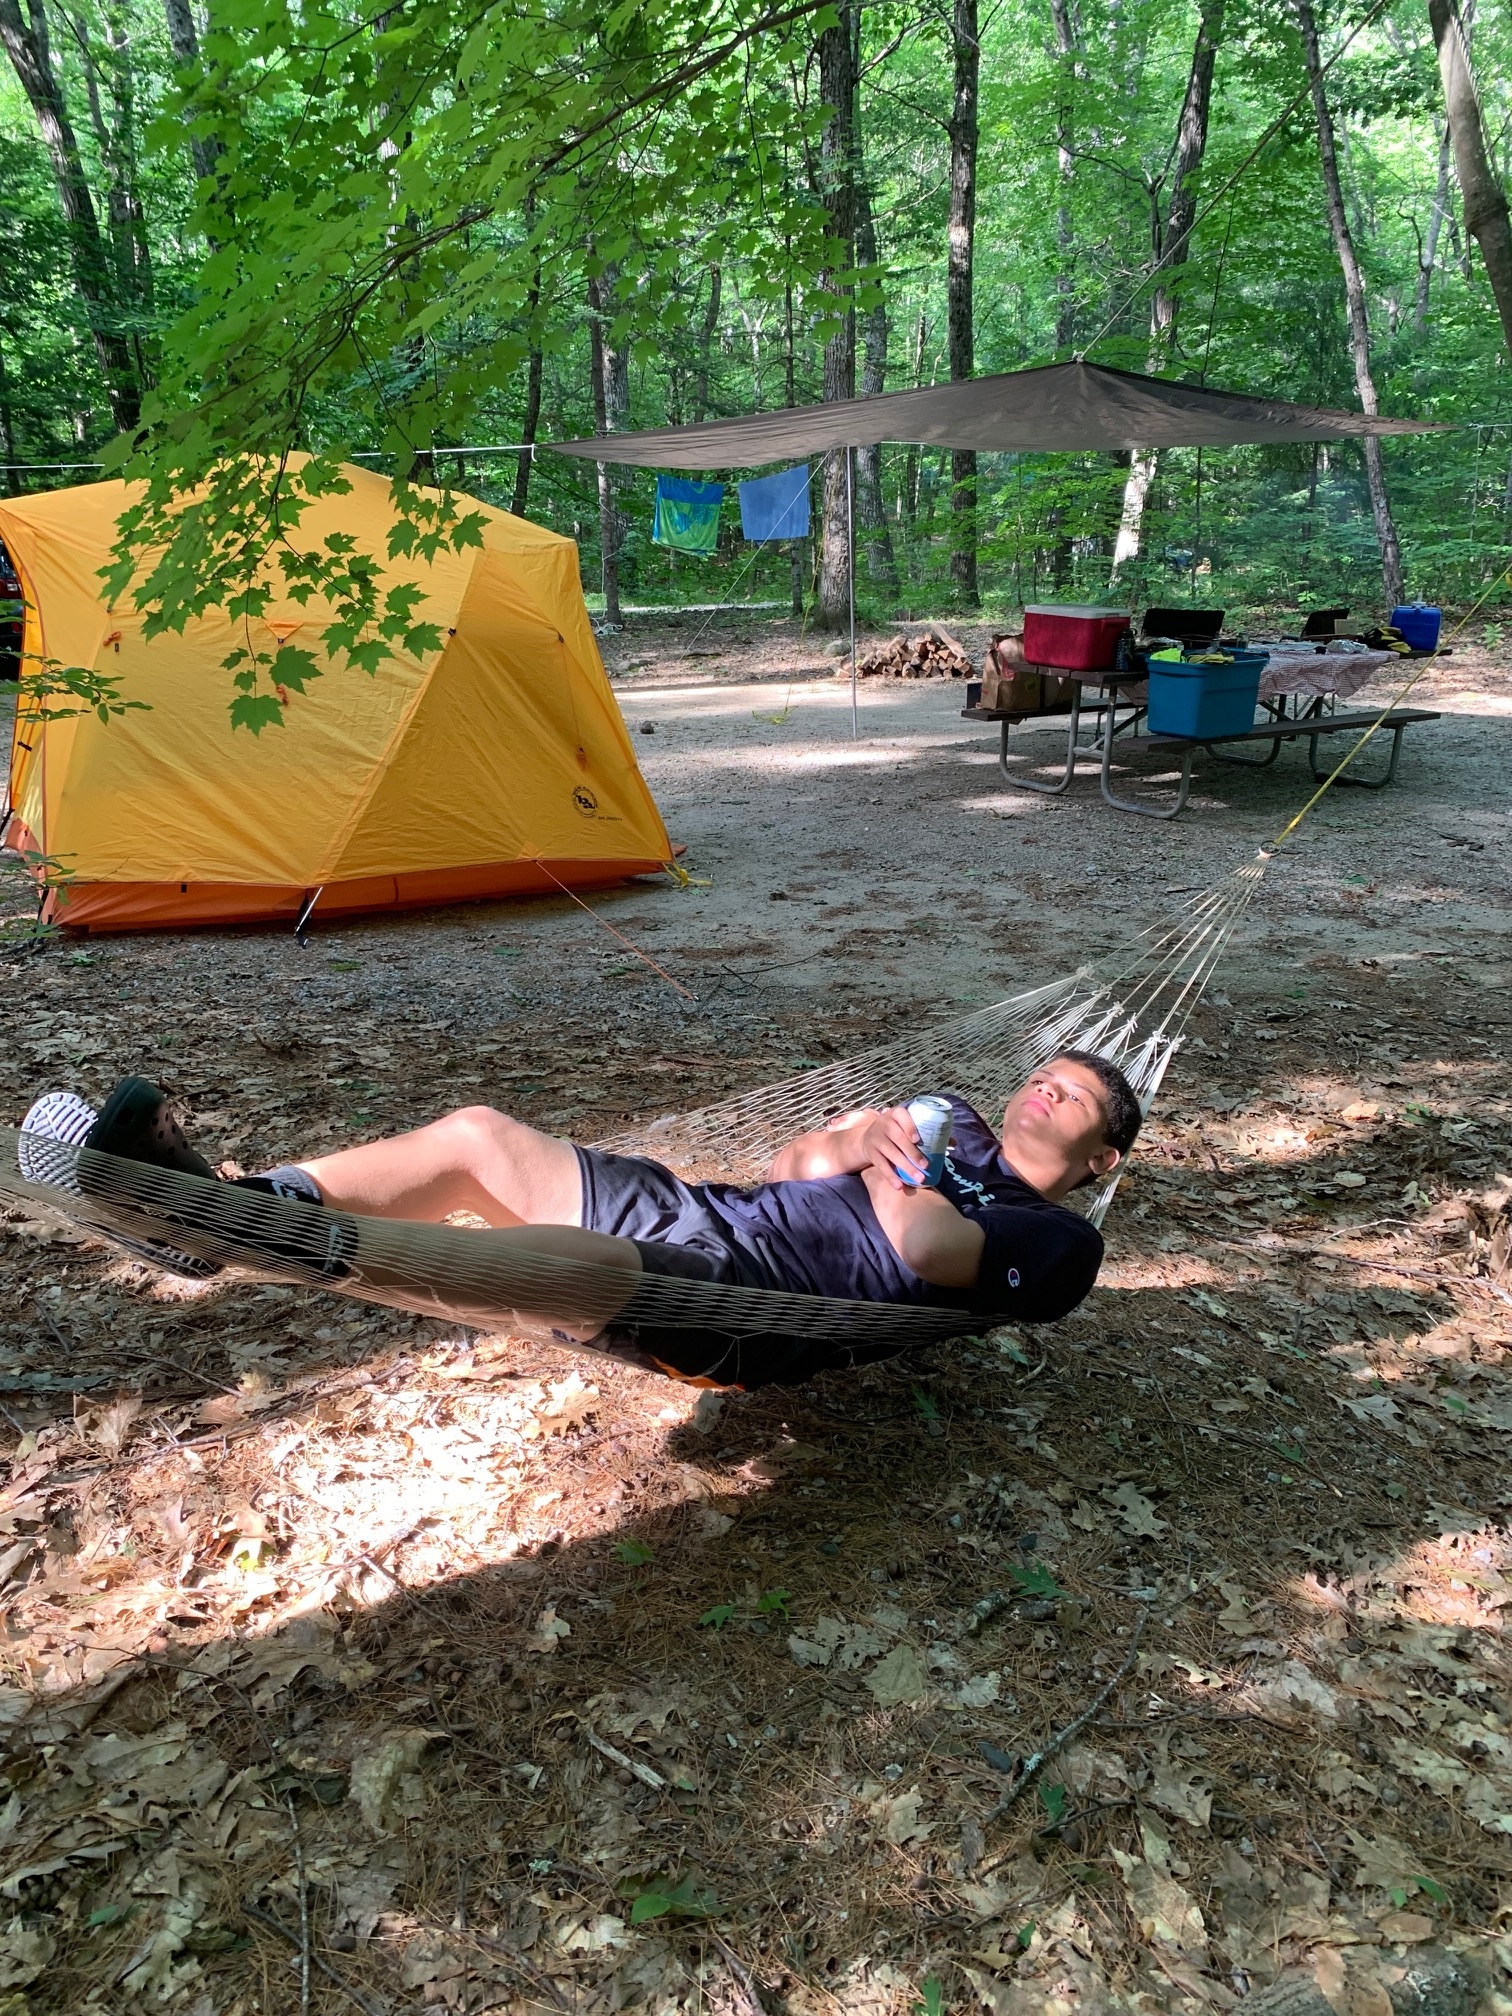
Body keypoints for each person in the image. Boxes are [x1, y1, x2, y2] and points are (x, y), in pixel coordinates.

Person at [21, 1050, 1140, 1389]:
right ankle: (223, 1210)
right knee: (475, 1137)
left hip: (762, 1306)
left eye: (1075, 1094)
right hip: (715, 1214)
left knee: (582, 1267)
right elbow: (784, 1165)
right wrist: (845, 1143)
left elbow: (931, 1251)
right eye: (1043, 1073)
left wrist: (902, 1173)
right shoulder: (956, 1138)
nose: (1046, 1086)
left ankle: (218, 1233)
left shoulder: (1059, 1241)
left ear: (1100, 1155)